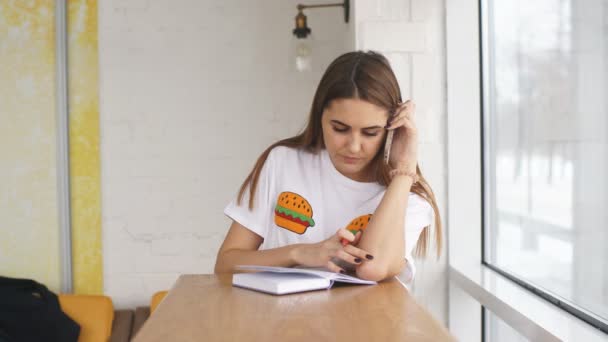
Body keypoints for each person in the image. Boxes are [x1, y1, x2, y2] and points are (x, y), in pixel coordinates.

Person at [214, 51, 442, 282]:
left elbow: (373, 268)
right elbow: (226, 264)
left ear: (390, 129)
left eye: (370, 133)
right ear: (319, 117)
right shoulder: (282, 162)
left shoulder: (408, 197)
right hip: (278, 316)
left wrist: (404, 170)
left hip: (364, 318)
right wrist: (300, 253)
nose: (353, 146)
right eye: (340, 129)